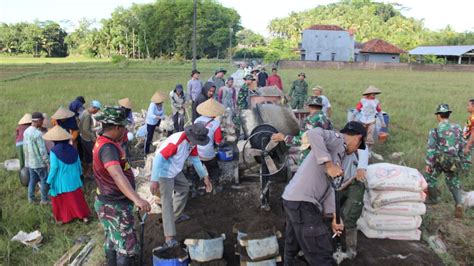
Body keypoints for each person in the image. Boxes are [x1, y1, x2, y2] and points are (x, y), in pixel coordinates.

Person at [281, 121, 366, 265]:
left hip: (293, 200)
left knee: (292, 250)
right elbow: (314, 133)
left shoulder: (340, 155)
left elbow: (330, 187)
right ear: (358, 138)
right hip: (302, 203)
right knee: (322, 255)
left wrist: (334, 217)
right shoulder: (338, 139)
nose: (356, 149)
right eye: (359, 146)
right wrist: (328, 164)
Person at [92, 106, 151, 265]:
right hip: (116, 205)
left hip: (106, 202)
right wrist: (137, 199)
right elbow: (117, 175)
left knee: (112, 240)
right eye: (124, 127)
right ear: (117, 127)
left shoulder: (103, 141)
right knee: (126, 245)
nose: (125, 131)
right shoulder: (108, 148)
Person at [150, 123, 212, 250]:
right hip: (163, 171)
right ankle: (169, 238)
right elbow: (158, 159)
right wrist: (154, 180)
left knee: (184, 188)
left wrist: (204, 176)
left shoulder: (191, 143)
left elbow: (195, 160)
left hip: (175, 169)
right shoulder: (177, 142)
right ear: (192, 136)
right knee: (166, 201)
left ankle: (175, 216)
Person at [424, 104, 466, 218]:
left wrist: (428, 164)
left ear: (438, 116)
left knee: (430, 177)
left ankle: (433, 198)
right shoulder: (458, 128)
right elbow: (462, 145)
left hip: (440, 160)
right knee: (453, 181)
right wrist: (461, 160)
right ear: (449, 114)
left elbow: (431, 149)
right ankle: (459, 203)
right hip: (454, 160)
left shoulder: (435, 131)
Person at [44, 125, 90, 224]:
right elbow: (78, 163)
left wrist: (48, 181)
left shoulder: (54, 151)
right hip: (74, 179)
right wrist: (81, 174)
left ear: (54, 140)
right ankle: (84, 217)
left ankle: (64, 219)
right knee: (77, 199)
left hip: (61, 181)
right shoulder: (73, 148)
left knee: (62, 200)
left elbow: (54, 168)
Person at [272, 96, 332, 161]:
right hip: (324, 156)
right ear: (321, 106)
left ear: (308, 106)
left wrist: (284, 138)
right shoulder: (327, 120)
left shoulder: (309, 120)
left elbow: (303, 140)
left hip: (310, 157)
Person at [195, 99, 225, 190]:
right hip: (208, 153)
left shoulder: (196, 120)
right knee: (213, 167)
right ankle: (215, 183)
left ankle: (201, 184)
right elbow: (218, 142)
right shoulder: (215, 124)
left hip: (196, 152)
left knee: (199, 167)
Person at [23, 112, 50, 204]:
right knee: (44, 179)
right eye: (42, 120)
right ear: (38, 121)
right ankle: (44, 199)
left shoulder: (26, 132)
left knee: (32, 180)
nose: (43, 122)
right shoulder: (38, 134)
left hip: (30, 162)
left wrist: (26, 161)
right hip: (39, 162)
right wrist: (47, 162)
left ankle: (31, 199)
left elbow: (25, 148)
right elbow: (42, 150)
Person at [351, 86, 386, 152]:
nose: (374, 95)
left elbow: (379, 112)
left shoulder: (376, 102)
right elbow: (357, 109)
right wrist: (353, 117)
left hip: (371, 121)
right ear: (368, 94)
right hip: (362, 120)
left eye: (375, 94)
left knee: (370, 136)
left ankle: (369, 151)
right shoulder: (363, 101)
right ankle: (358, 149)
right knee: (361, 134)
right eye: (372, 94)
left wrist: (382, 122)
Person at [79, 100, 101, 178]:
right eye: (97, 110)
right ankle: (89, 173)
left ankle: (85, 172)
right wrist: (93, 138)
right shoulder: (87, 115)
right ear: (94, 108)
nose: (97, 111)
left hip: (83, 137)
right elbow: (85, 129)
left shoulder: (84, 112)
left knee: (87, 156)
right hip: (87, 139)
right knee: (92, 156)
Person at [463, 98, 474, 169]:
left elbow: (473, 133)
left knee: (466, 161)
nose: (467, 107)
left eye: (468, 105)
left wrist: (467, 146)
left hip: (469, 142)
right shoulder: (471, 117)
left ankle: (465, 174)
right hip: (467, 141)